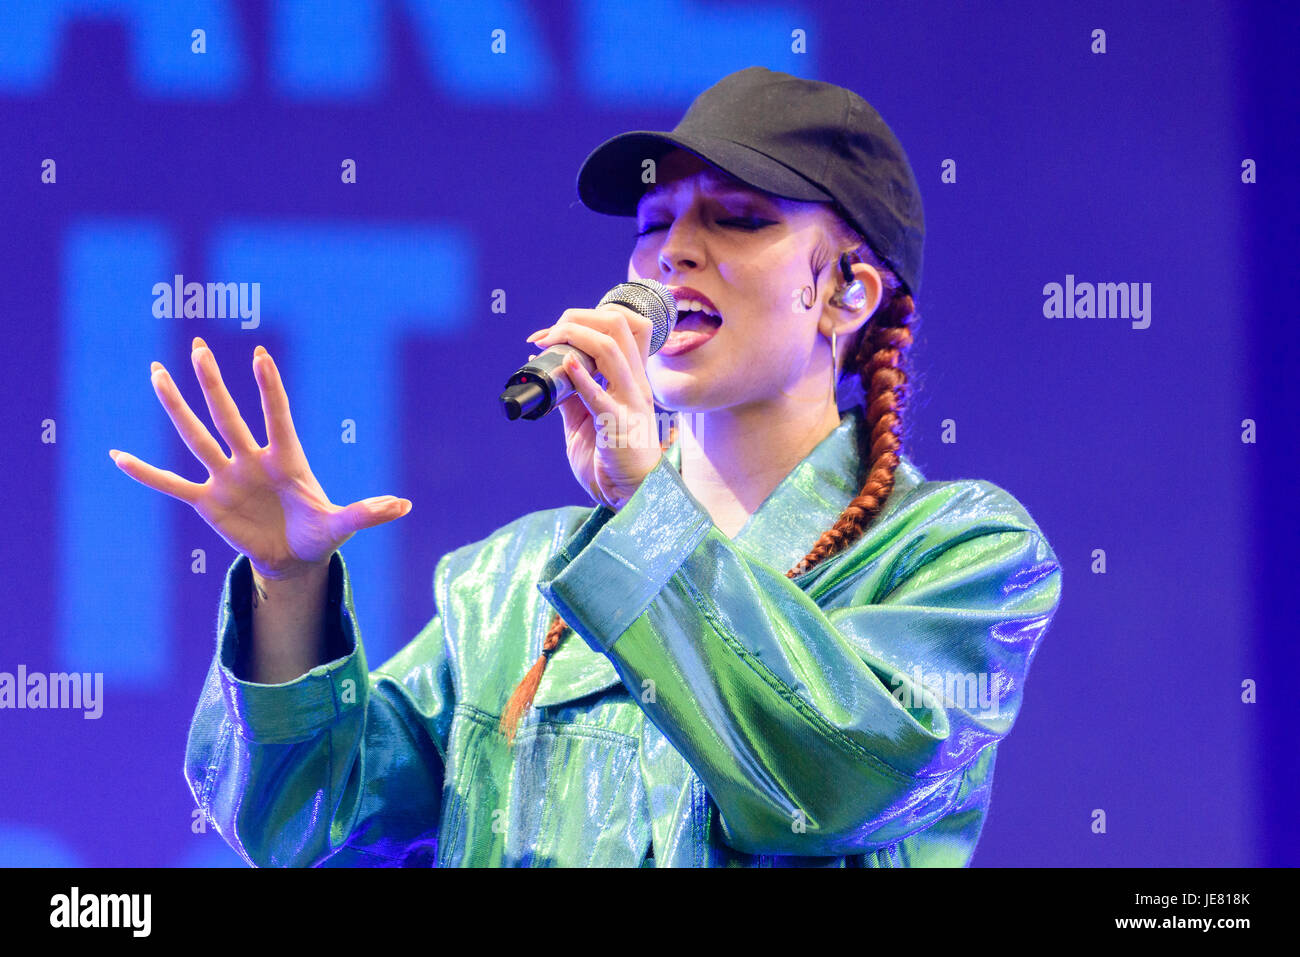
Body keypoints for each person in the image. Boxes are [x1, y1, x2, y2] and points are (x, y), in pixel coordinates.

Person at [111, 66, 1062, 867]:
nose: (674, 252)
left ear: (848, 289)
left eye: (737, 218)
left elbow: (837, 779)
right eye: (656, 222)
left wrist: (648, 508)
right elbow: (305, 825)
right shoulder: (509, 583)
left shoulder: (962, 550)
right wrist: (290, 583)